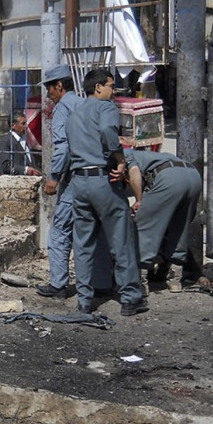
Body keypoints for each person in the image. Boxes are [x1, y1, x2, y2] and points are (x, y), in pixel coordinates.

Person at [65, 69, 147, 316]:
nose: (114, 91)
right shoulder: (106, 108)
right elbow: (107, 131)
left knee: (83, 243)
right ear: (98, 87)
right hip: (103, 180)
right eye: (112, 86)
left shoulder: (73, 114)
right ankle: (131, 298)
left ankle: (84, 301)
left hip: (79, 183)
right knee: (121, 239)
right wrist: (120, 158)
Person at [37, 64, 113, 299]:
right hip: (99, 178)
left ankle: (58, 285)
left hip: (75, 179)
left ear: (59, 86)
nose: (48, 94)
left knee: (60, 231)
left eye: (49, 89)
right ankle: (101, 283)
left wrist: (54, 177)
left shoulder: (63, 109)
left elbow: (63, 148)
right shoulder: (86, 105)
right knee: (94, 231)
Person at [125, 148, 205, 286]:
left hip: (169, 177)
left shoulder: (124, 154)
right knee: (180, 226)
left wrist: (139, 200)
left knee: (143, 226)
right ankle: (175, 279)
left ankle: (140, 278)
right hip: (193, 176)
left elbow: (133, 172)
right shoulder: (151, 156)